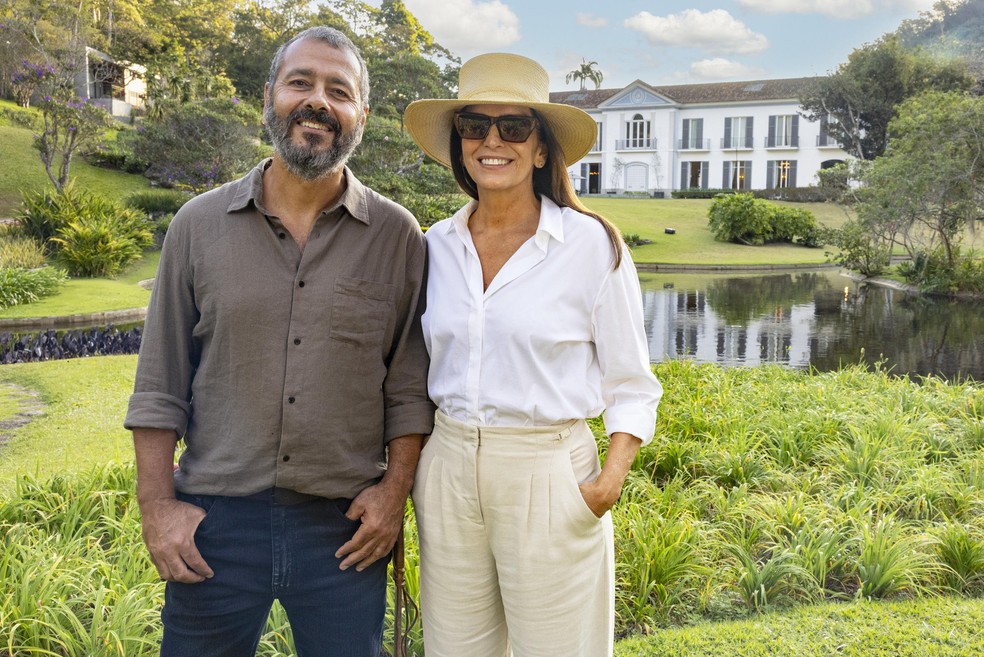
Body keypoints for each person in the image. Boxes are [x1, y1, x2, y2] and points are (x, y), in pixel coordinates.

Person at [124, 26, 434, 657]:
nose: (317, 101)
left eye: (338, 90)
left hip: (343, 529)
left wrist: (392, 493)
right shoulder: (197, 226)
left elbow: (408, 385)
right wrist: (158, 507)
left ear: (360, 115)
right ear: (269, 95)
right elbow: (159, 384)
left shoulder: (398, 237)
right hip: (214, 522)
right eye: (301, 82)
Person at [403, 53, 663, 657]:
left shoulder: (590, 244)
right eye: (475, 126)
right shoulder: (433, 245)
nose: (493, 141)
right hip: (447, 469)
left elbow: (633, 384)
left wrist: (606, 484)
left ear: (542, 149)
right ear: (459, 143)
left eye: (514, 127)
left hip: (548, 469)